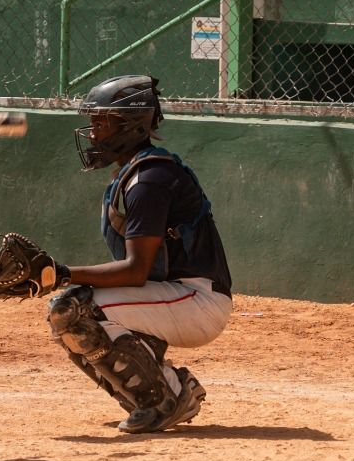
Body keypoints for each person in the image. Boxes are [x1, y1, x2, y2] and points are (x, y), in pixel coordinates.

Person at [39, 75, 230, 433]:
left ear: (130, 123)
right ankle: (167, 388)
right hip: (173, 296)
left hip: (197, 301)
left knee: (76, 311)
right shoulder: (132, 174)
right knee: (64, 309)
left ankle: (167, 397)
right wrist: (56, 276)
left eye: (102, 121)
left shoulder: (150, 180)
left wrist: (59, 272)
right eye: (92, 121)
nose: (93, 132)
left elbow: (135, 271)